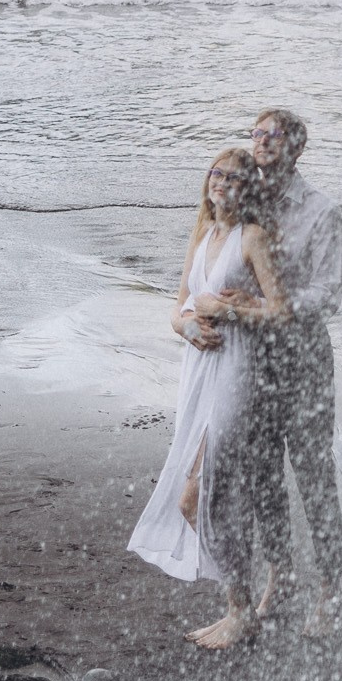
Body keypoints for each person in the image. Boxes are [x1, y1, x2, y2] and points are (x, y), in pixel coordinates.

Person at [128, 145, 291, 650]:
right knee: (210, 496)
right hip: (199, 373)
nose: (222, 181)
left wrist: (231, 311)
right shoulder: (203, 233)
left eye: (235, 177)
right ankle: (241, 605)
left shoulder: (253, 237)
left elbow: (283, 312)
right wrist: (187, 327)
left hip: (240, 375)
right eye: (216, 173)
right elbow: (178, 307)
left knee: (199, 496)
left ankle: (242, 609)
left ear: (249, 190)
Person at [244, 103, 342, 626]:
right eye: (256, 133)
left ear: (297, 147)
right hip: (252, 355)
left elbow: (328, 292)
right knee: (262, 470)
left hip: (304, 356)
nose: (262, 141)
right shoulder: (242, 200)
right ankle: (280, 572)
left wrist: (278, 307)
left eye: (273, 134)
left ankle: (333, 584)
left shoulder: (321, 210)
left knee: (312, 471)